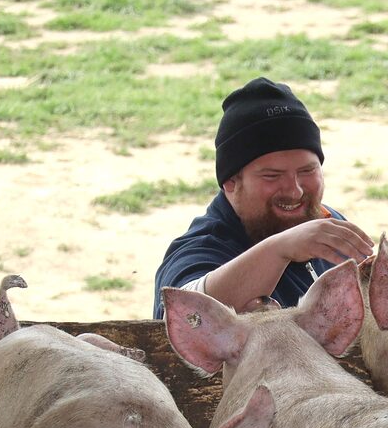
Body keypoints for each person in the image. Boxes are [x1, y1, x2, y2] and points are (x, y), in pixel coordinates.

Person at [153, 78, 374, 318]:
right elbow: (181, 313)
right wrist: (280, 249)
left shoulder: (328, 226)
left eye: (307, 171)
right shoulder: (205, 247)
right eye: (272, 175)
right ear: (230, 182)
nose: (295, 191)